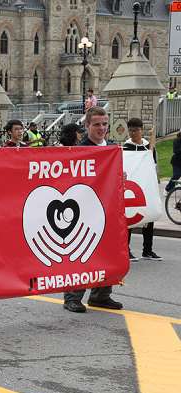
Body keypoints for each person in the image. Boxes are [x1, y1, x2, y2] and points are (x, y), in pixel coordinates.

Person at [63, 106, 123, 313]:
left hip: (108, 209)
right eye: (96, 124)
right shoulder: (79, 150)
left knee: (108, 252)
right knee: (81, 251)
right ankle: (72, 296)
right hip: (83, 209)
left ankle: (101, 295)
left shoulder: (114, 149)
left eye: (105, 124)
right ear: (87, 125)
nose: (102, 128)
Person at [123, 119, 162, 262]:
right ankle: (126, 250)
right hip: (133, 187)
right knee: (130, 218)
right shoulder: (126, 147)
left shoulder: (148, 146)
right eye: (131, 130)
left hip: (146, 186)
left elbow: (153, 164)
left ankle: (147, 250)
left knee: (149, 217)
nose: (134, 133)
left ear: (141, 130)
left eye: (136, 130)